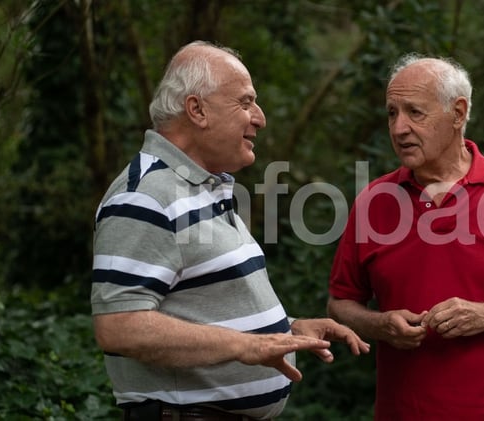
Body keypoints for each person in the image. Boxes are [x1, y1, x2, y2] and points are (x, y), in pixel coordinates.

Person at [91, 40, 369, 421]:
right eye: (245, 102)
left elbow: (199, 308)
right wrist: (244, 346)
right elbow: (119, 326)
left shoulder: (202, 188)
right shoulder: (145, 197)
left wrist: (287, 331)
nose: (259, 117)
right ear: (197, 110)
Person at [327, 53, 484, 420]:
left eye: (415, 113)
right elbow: (340, 304)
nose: (399, 128)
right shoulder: (374, 201)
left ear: (459, 113)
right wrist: (380, 325)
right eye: (391, 113)